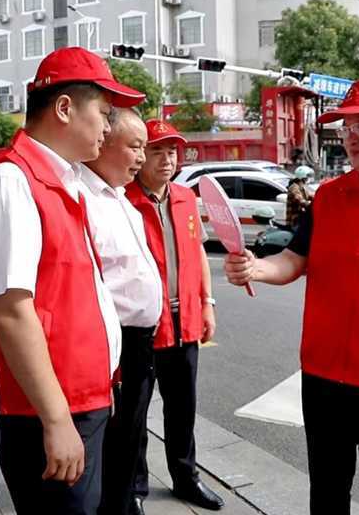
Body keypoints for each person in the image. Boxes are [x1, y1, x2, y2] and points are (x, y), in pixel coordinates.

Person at [224, 76, 359, 515]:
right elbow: (294, 259)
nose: (350, 138)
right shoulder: (328, 197)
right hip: (324, 377)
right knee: (326, 494)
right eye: (346, 127)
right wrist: (257, 268)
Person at [0, 46, 145, 515]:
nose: (109, 128)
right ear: (64, 108)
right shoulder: (12, 182)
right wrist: (56, 418)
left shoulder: (62, 180)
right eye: (103, 113)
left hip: (85, 397)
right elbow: (10, 309)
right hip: (48, 409)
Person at [126, 119, 224, 512]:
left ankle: (186, 477)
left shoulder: (185, 197)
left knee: (182, 407)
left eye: (173, 152)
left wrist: (208, 303)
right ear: (141, 155)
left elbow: (197, 251)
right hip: (143, 327)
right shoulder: (123, 199)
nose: (167, 160)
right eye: (157, 151)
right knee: (134, 413)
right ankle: (134, 487)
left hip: (185, 323)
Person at [77, 108, 163, 515]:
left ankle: (126, 502)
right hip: (112, 344)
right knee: (111, 441)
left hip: (143, 342)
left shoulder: (123, 201)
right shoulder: (81, 197)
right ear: (104, 140)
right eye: (135, 146)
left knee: (132, 436)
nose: (141, 158)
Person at [286, 164, 314, 229]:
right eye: (308, 176)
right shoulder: (294, 188)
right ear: (303, 177)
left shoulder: (302, 187)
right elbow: (300, 200)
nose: (309, 178)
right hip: (295, 220)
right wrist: (310, 204)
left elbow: (309, 196)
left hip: (300, 218)